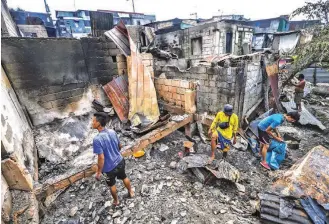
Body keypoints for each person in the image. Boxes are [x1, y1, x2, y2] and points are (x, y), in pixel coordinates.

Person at [92, 112, 134, 206]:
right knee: (124, 177)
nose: (92, 123)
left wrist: (98, 172)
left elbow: (101, 158)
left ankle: (116, 201)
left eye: (93, 121)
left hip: (108, 169)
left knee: (112, 185)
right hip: (120, 161)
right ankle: (131, 192)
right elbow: (120, 146)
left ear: (98, 123)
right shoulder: (112, 131)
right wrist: (114, 153)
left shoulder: (97, 139)